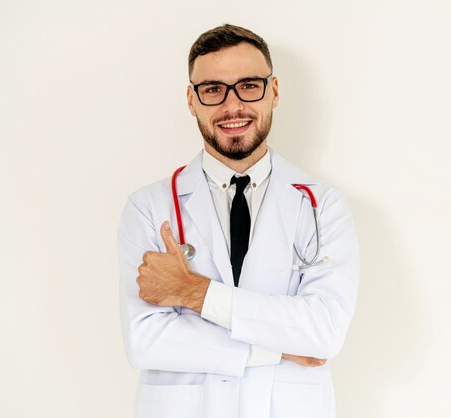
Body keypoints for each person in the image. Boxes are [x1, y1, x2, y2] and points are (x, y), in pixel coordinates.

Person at [117, 24, 359, 418]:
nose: (232, 106)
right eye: (213, 89)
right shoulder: (149, 207)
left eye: (249, 85)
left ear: (274, 92)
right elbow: (146, 339)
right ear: (191, 100)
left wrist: (192, 291)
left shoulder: (321, 205)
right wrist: (276, 347)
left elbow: (324, 332)